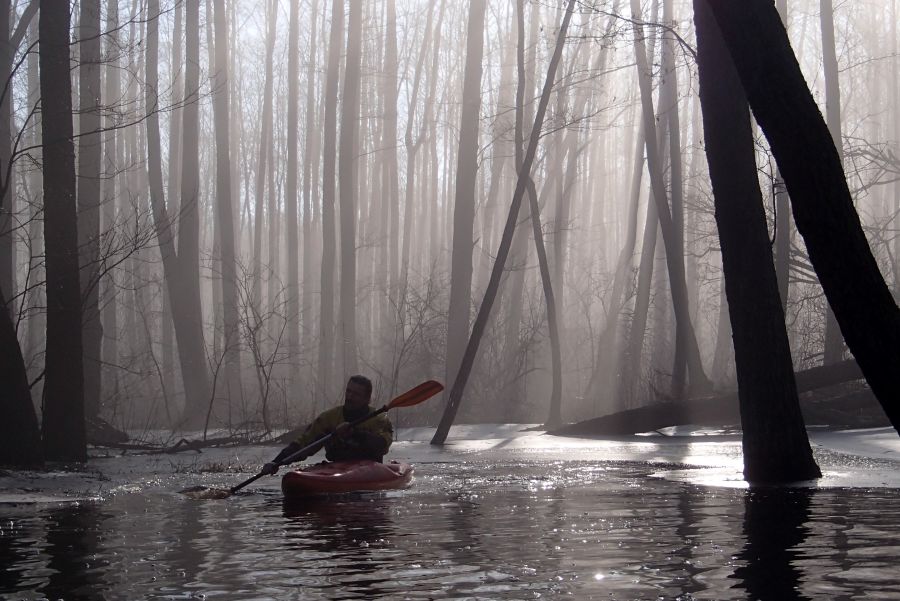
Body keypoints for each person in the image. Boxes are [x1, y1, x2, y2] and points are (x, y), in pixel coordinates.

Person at [261, 375, 393, 475]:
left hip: (369, 469)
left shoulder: (379, 419)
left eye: (356, 394)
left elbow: (383, 445)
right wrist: (277, 462)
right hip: (338, 468)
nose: (350, 397)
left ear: (367, 399)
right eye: (348, 391)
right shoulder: (328, 418)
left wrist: (355, 433)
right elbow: (303, 443)